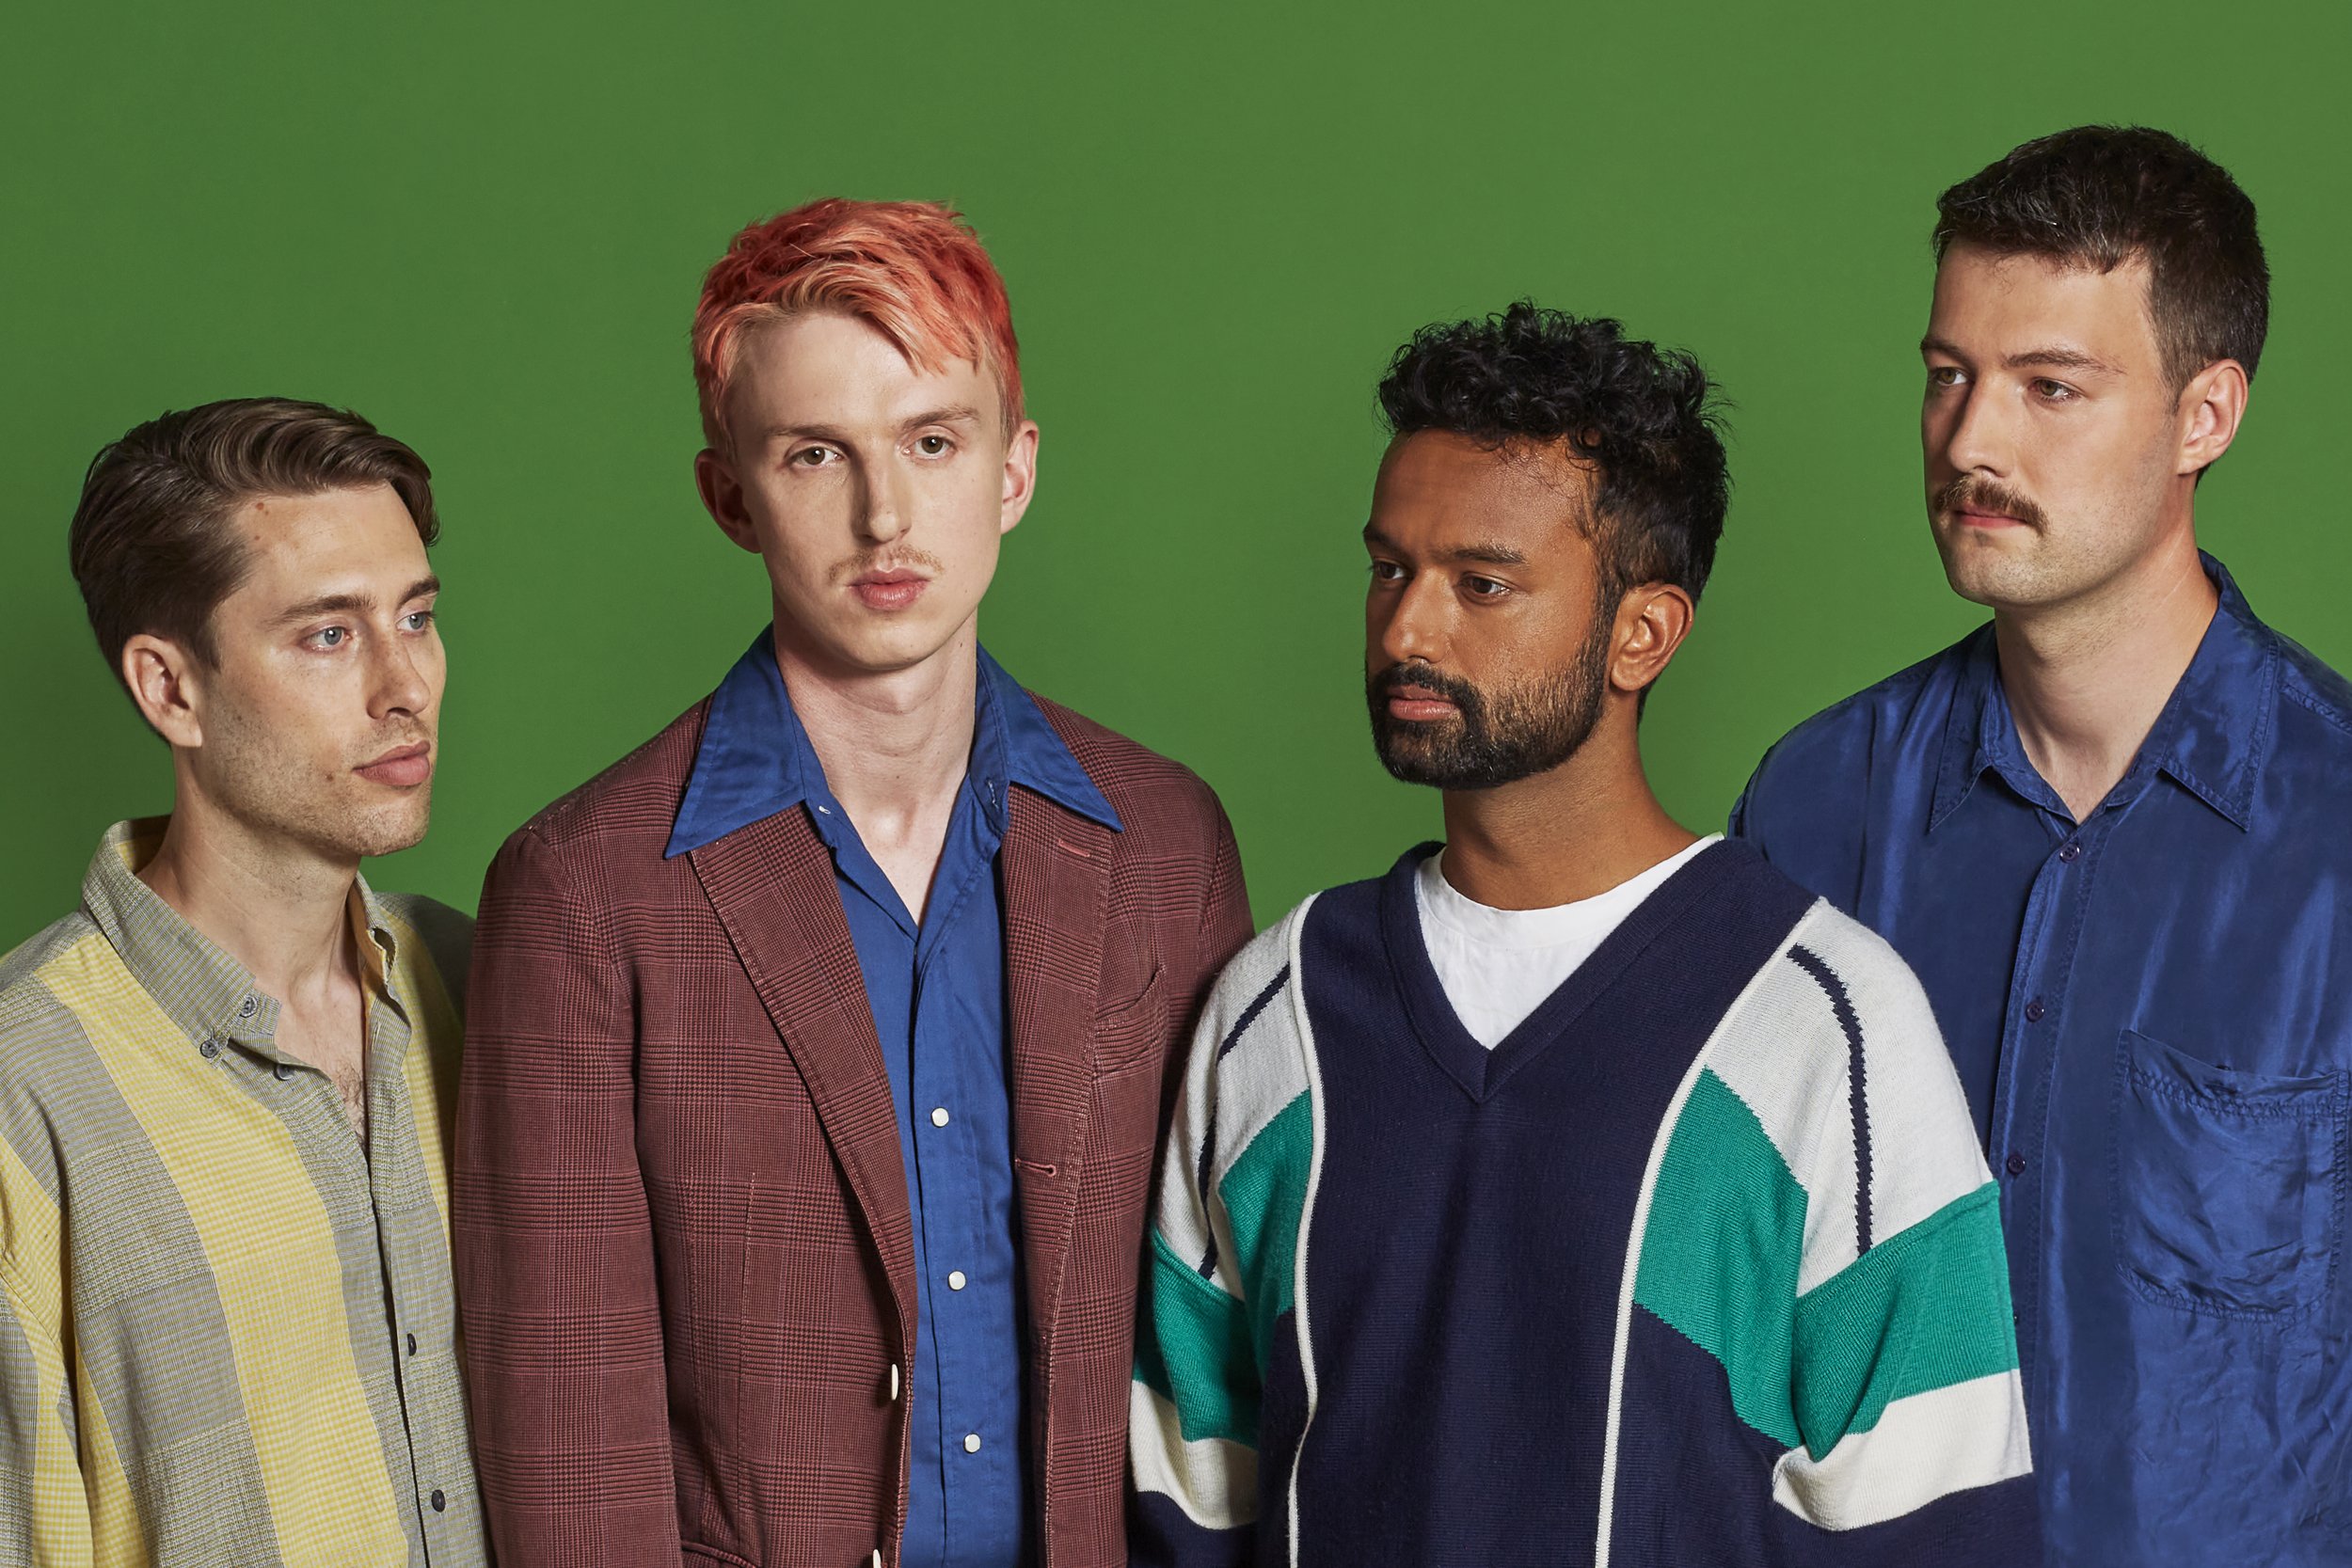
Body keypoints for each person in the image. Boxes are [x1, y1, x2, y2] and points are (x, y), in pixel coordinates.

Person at [1129, 305, 2036, 1567]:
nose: (1407, 630)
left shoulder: (1824, 1026)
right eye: (1390, 569)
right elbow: (1184, 1500)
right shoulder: (1267, 1010)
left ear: (1641, 633)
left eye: (1481, 583)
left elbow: (1939, 1524)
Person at [456, 198, 1254, 1568]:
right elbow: (574, 1454)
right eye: (815, 452)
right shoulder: (583, 890)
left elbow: (1216, 1353)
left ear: (1013, 470)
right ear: (730, 496)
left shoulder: (1165, 843)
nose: (885, 513)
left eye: (932, 441)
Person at [1730, 125, 2352, 1565]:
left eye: (2050, 387)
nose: (1971, 443)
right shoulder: (1812, 805)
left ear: (2206, 414)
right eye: (1949, 374)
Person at [0, 399, 484, 1565]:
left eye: (416, 617)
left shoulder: (485, 984)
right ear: (170, 688)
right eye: (328, 634)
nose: (405, 685)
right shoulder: (23, 1090)